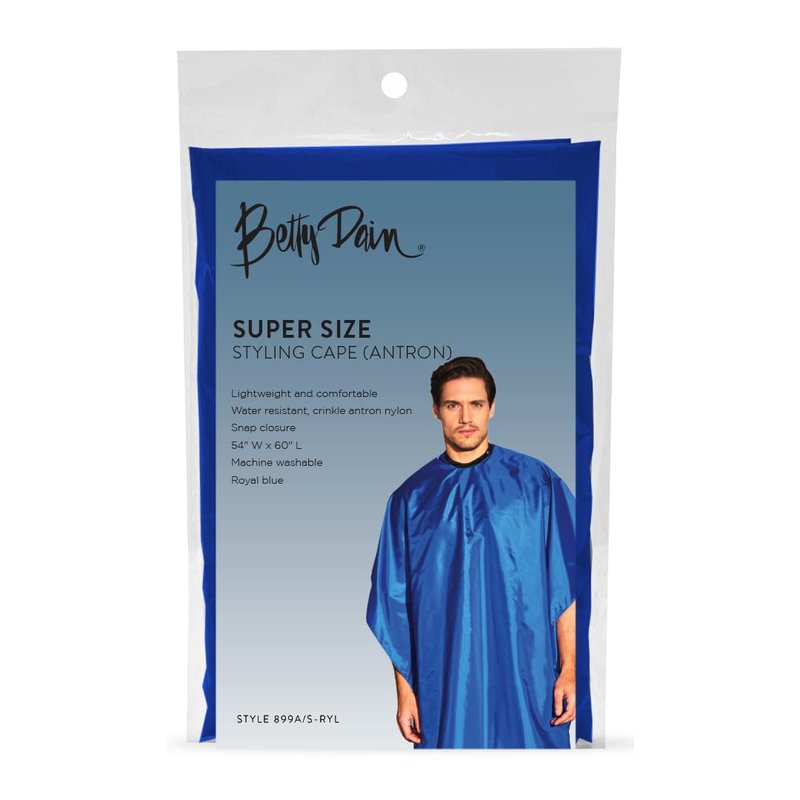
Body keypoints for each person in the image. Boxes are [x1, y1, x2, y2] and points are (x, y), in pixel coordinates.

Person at [366, 356, 577, 749]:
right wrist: (405, 693)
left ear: (492, 408)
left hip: (527, 679)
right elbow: (395, 606)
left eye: (476, 404)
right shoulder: (409, 500)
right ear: (436, 410)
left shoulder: (537, 484)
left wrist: (570, 670)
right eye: (453, 405)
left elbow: (567, 581)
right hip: (447, 684)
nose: (466, 417)